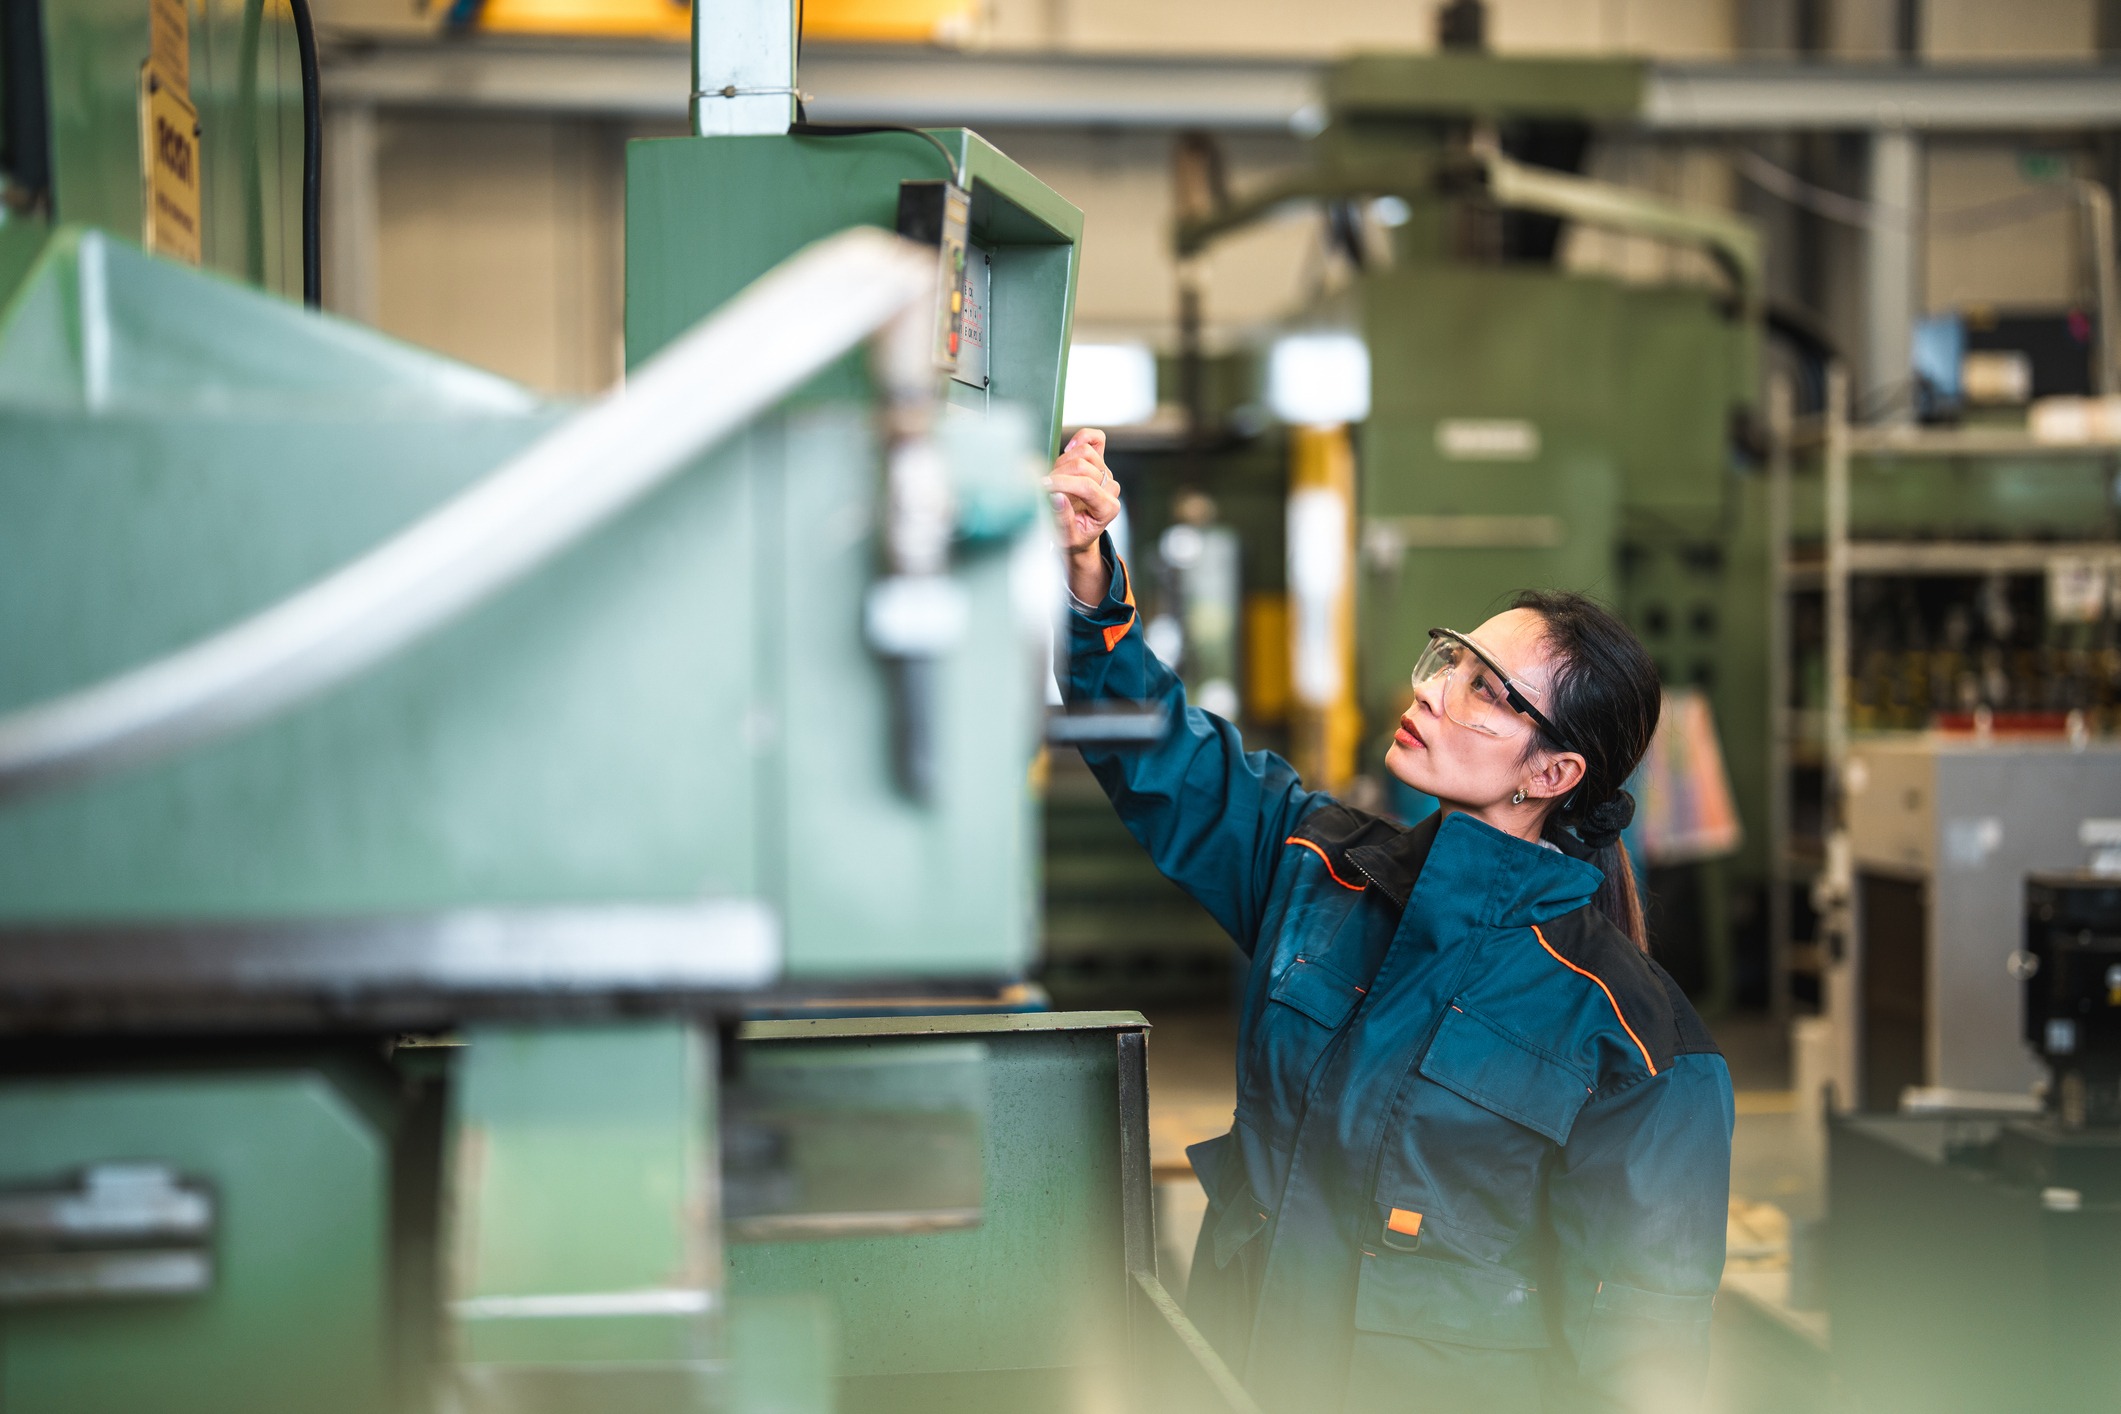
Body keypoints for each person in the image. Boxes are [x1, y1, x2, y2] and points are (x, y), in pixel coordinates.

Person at [1048, 428, 1733, 1414]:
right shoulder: (1319, 869)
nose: (1430, 688)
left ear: (1553, 774)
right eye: (1451, 658)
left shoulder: (1635, 1044)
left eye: (1483, 691)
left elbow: (1643, 1355)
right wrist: (1085, 577)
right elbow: (1164, 757)